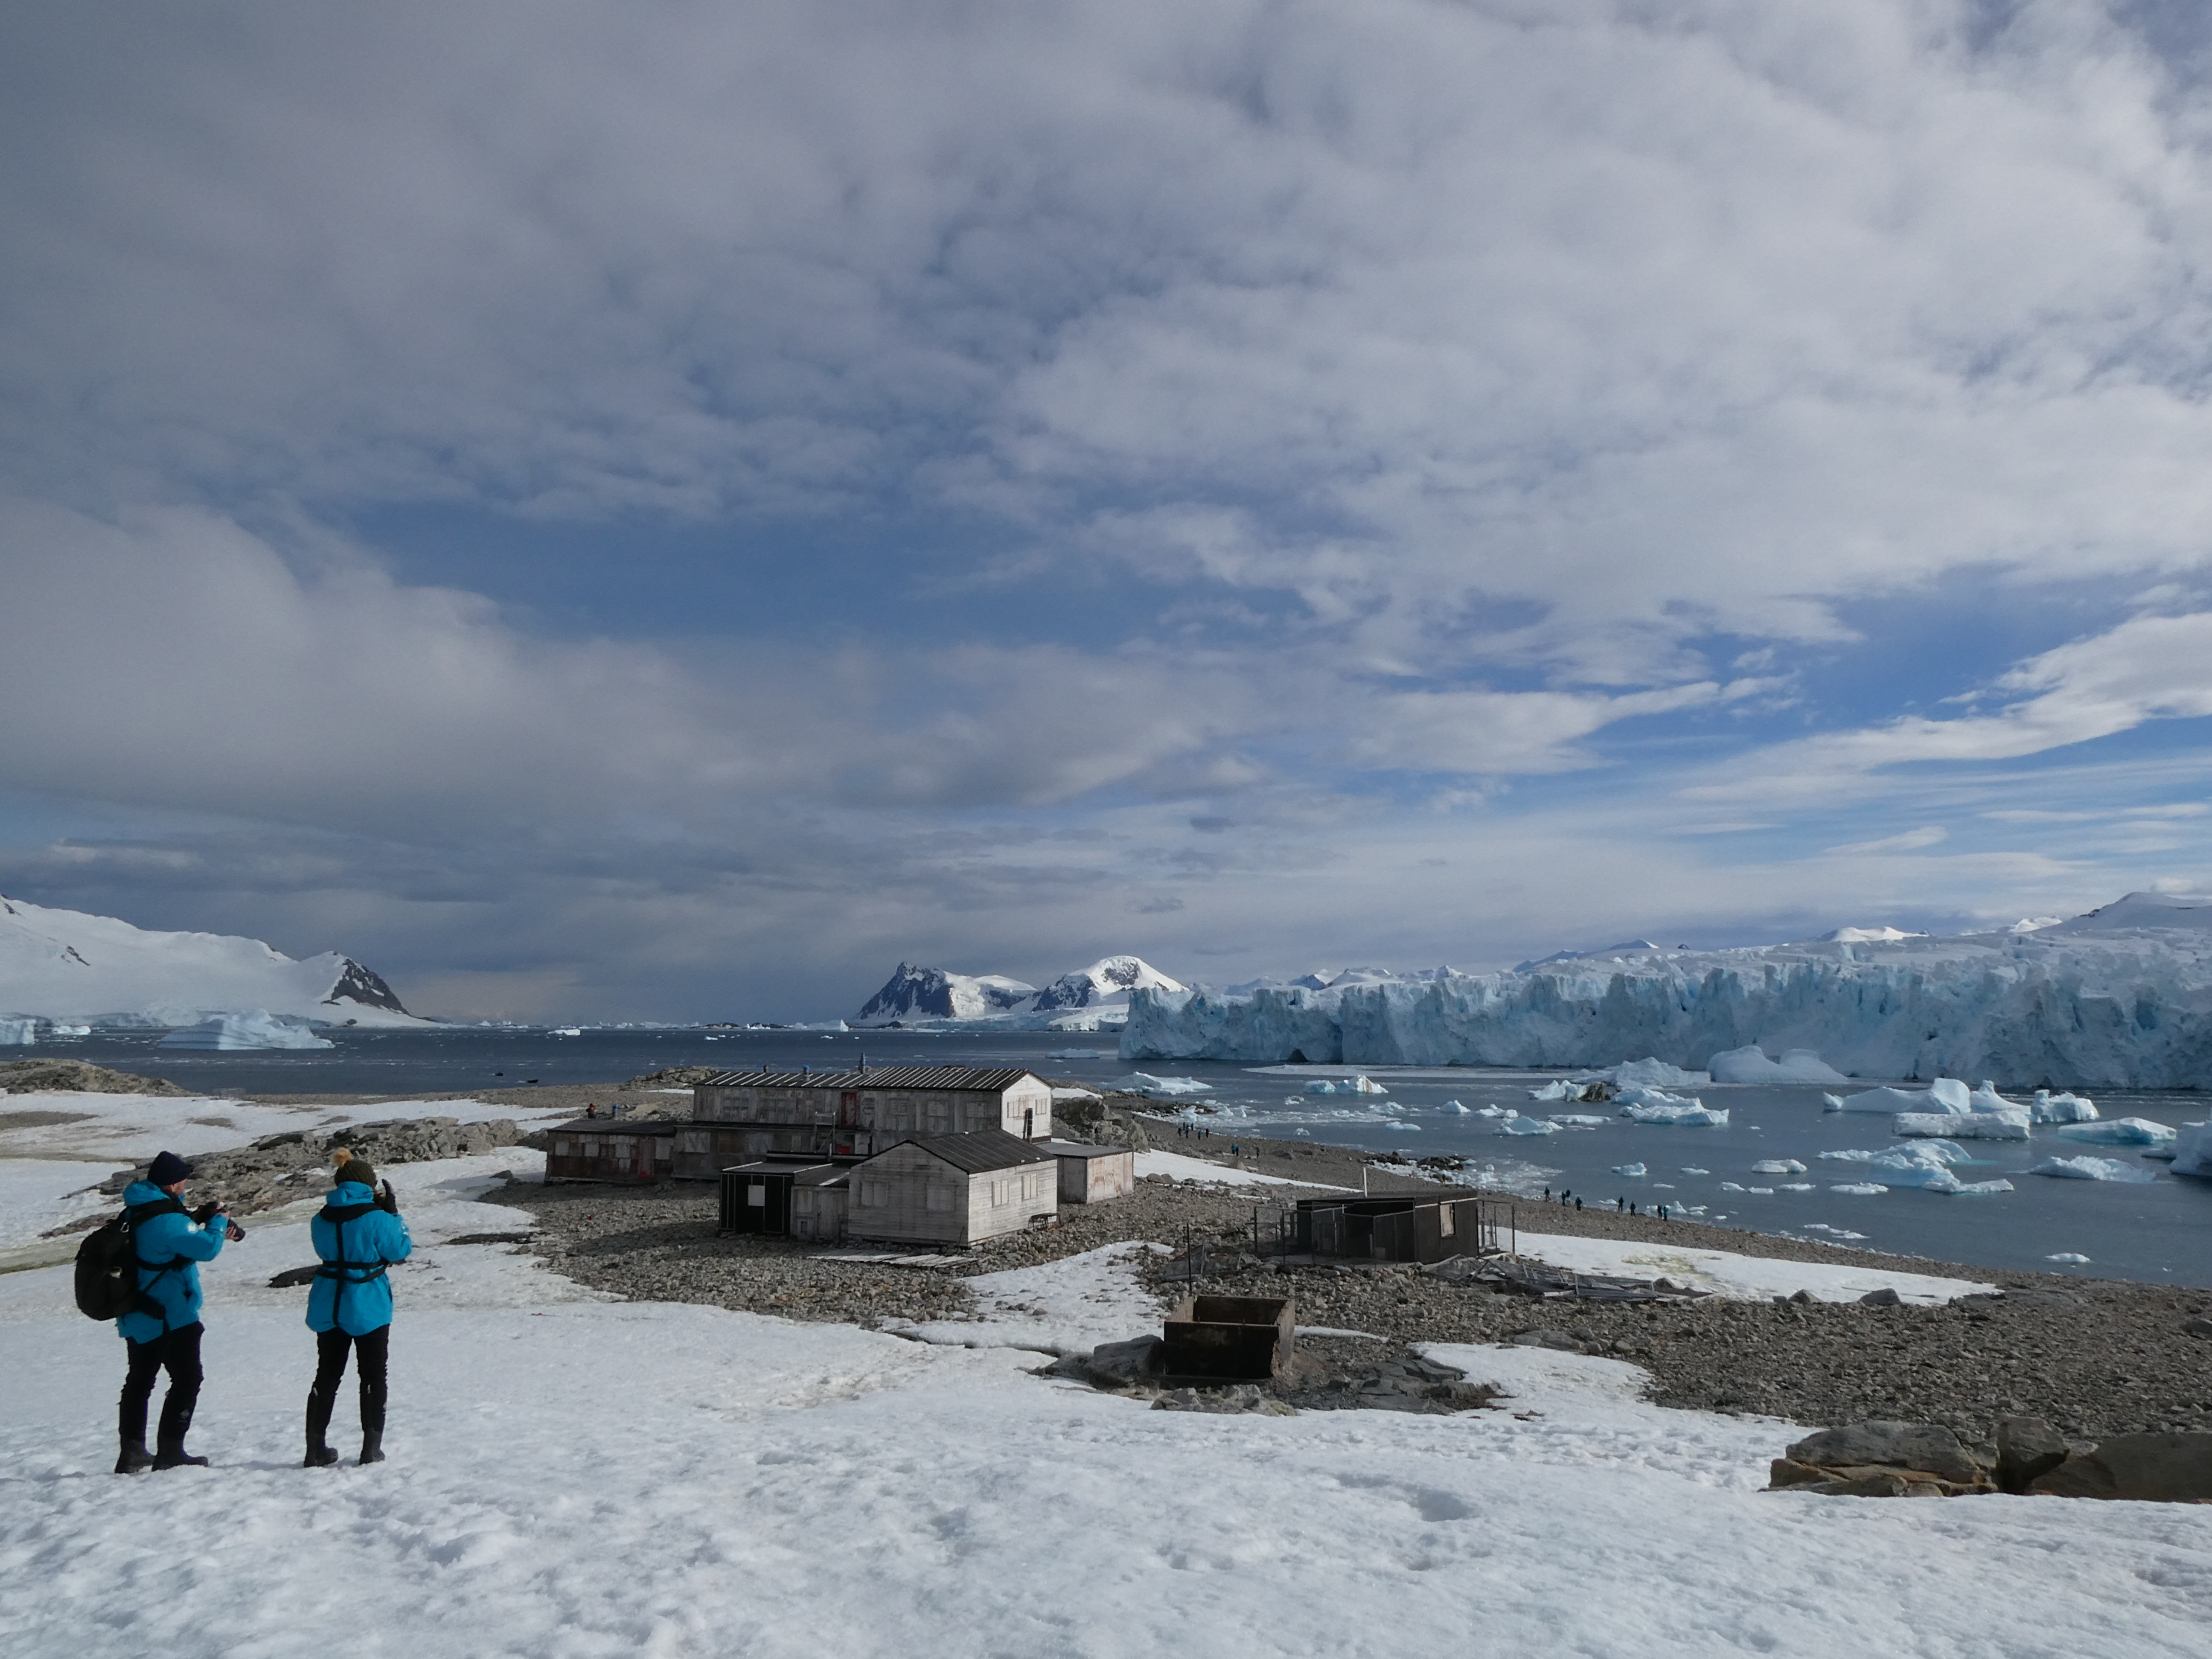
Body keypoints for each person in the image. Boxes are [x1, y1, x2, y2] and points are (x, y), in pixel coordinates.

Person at [115, 1150, 242, 1474]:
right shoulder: (168, 1218)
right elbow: (207, 1249)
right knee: (187, 1379)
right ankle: (171, 1450)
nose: (186, 1186)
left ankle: (132, 1452)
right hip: (171, 1314)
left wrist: (196, 1218)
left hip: (137, 1312)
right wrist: (218, 1222)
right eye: (183, 1181)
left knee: (139, 1382)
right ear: (173, 1184)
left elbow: (165, 1241)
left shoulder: (137, 1210)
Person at [303, 1151, 413, 1467]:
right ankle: (371, 1448)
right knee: (373, 1375)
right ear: (369, 1185)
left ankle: (314, 1449)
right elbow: (400, 1250)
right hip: (367, 1302)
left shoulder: (320, 1217)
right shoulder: (377, 1217)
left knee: (327, 1375)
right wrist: (394, 1216)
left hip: (328, 1300)